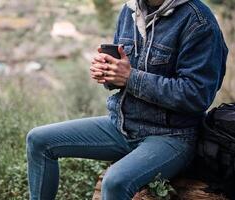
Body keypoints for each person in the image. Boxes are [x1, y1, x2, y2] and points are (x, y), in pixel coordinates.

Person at [26, 0, 228, 199]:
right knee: (39, 140)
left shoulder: (199, 21)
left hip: (173, 136)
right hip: (123, 125)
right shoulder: (130, 10)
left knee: (115, 182)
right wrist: (108, 74)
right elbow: (123, 73)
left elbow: (197, 95)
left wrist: (130, 78)